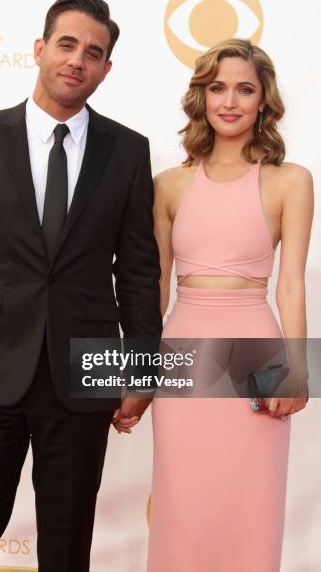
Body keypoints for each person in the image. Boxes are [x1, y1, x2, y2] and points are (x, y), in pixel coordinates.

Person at [0, 0, 161, 572]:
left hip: (84, 377)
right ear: (40, 49)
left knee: (67, 546)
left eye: (93, 52)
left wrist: (143, 372)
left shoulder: (128, 151)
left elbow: (140, 271)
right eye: (67, 44)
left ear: (106, 69)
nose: (77, 60)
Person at [146, 39, 313, 572]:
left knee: (251, 504)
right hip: (182, 352)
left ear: (264, 100)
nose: (230, 101)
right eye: (218, 88)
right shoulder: (168, 185)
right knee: (183, 503)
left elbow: (290, 283)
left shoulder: (291, 181)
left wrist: (297, 370)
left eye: (245, 89)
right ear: (201, 96)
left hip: (257, 359)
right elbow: (156, 285)